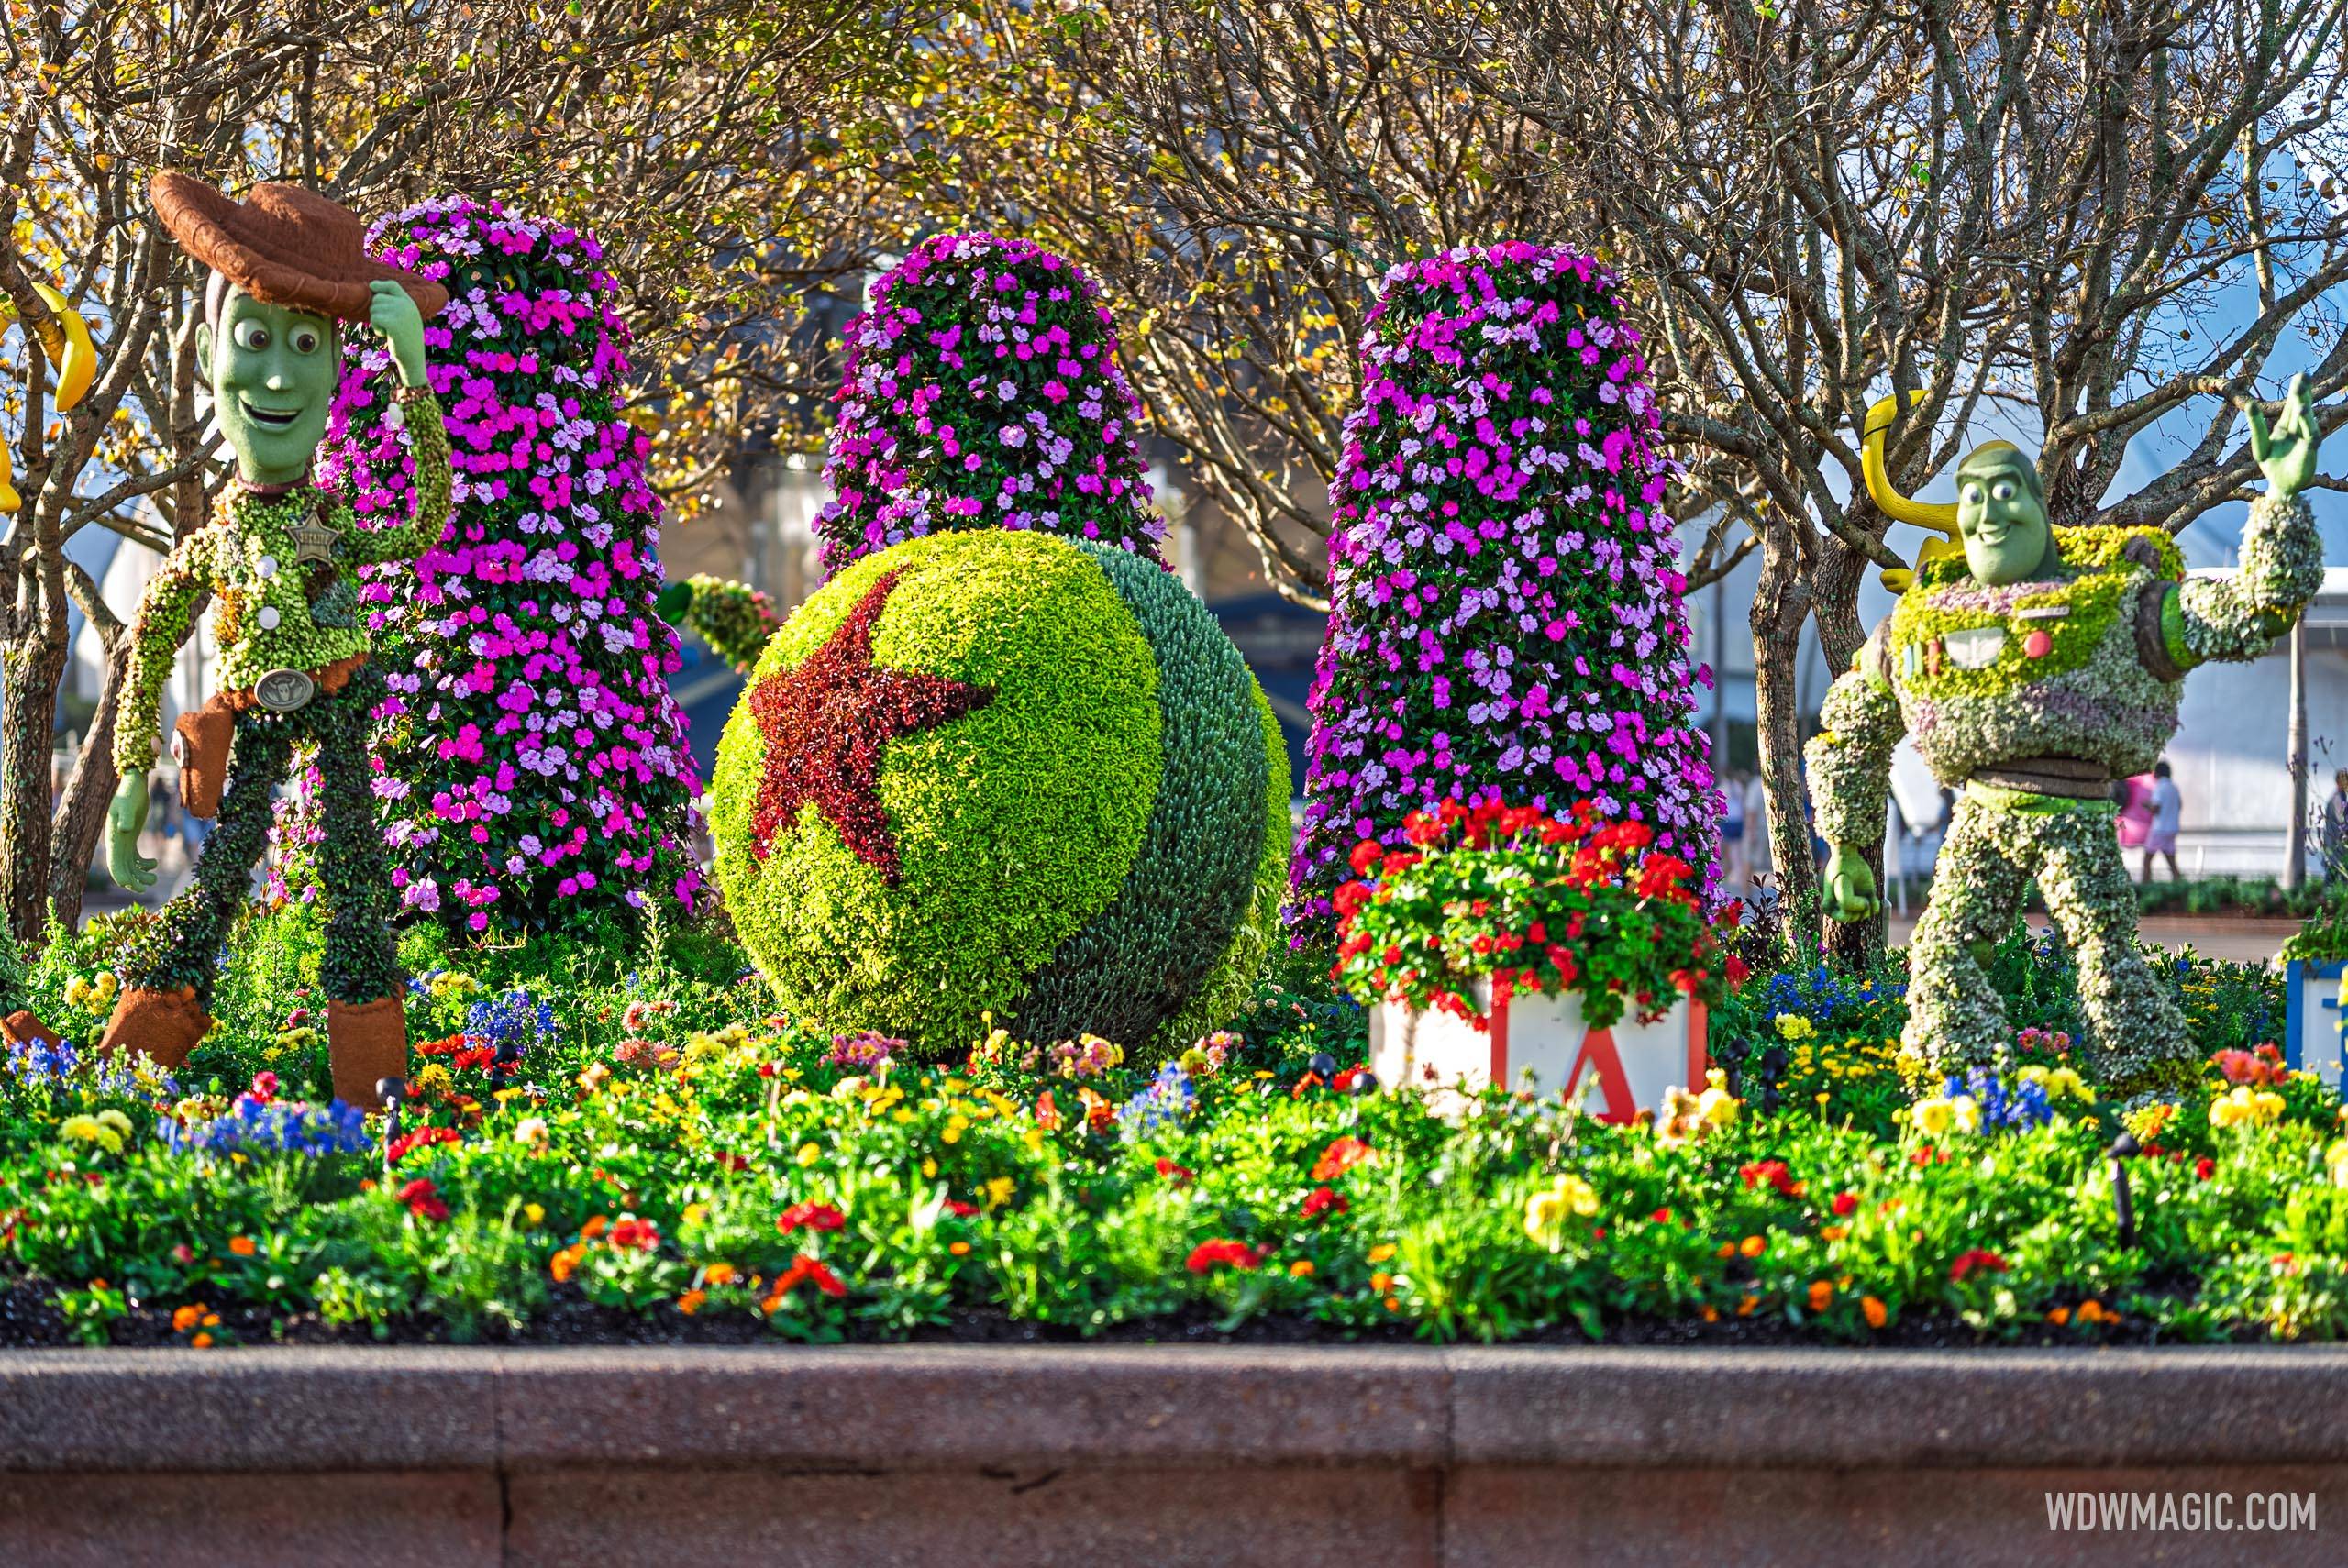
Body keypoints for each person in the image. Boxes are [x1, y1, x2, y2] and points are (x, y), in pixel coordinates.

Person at [99, 174, 451, 1110]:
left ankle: (369, 1087)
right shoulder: (209, 547)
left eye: (309, 347)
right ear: (213, 353)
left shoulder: (329, 523)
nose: (282, 377)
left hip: (336, 703)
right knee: (219, 876)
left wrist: (413, 372)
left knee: (353, 881)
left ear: (337, 371)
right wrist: (133, 778)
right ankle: (135, 1059)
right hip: (254, 714)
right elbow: (152, 647)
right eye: (256, 340)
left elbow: (422, 522)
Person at [2143, 760, 2182, 884]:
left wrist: (2146, 805)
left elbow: (2156, 808)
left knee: (2147, 860)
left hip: (2159, 829)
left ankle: (2146, 885)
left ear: (2158, 773)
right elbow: (2180, 805)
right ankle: (2179, 885)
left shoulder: (2159, 787)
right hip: (2172, 829)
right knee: (2171, 861)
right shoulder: (2174, 787)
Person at [1720, 767, 1748, 890]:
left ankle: (1724, 873)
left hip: (1727, 821)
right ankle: (1737, 873)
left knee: (1723, 849)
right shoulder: (1738, 787)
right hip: (1738, 820)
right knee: (1736, 849)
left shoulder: (1722, 788)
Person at [2324, 769, 2348, 881]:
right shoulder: (2337, 798)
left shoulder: (2342, 796)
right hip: (2336, 845)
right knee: (2335, 875)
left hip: (2337, 844)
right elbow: (2342, 819)